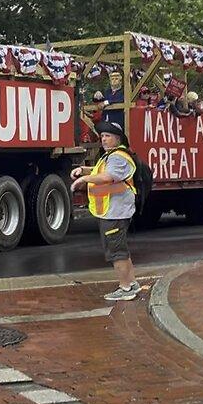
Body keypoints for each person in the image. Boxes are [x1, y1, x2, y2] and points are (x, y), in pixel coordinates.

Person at [71, 120, 141, 302]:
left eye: (108, 136)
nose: (103, 139)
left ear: (118, 139)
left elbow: (107, 176)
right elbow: (99, 170)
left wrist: (85, 179)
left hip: (116, 211)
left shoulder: (118, 157)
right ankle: (131, 283)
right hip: (112, 211)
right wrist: (83, 170)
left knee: (116, 251)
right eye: (102, 136)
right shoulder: (110, 156)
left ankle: (125, 288)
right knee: (120, 249)